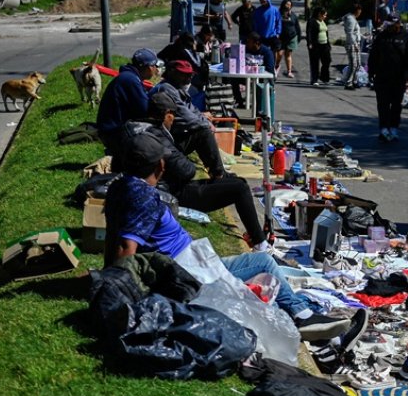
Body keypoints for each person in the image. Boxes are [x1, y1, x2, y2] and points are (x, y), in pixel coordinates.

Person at [104, 131, 357, 341]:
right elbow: (126, 248)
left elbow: (117, 239)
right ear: (160, 165)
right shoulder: (141, 197)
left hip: (189, 263)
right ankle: (304, 318)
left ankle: (311, 320)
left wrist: (108, 276)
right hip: (188, 271)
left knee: (265, 282)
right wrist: (117, 296)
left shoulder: (121, 186)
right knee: (264, 263)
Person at [116, 93, 268, 250]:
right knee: (240, 188)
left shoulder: (132, 126)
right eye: (173, 115)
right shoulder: (157, 138)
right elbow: (187, 171)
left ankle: (219, 175)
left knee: (234, 177)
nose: (174, 120)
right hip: (170, 192)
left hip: (158, 183)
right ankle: (260, 243)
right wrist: (177, 156)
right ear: (167, 115)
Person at [149, 60, 228, 179]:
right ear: (172, 72)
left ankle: (218, 172)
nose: (188, 78)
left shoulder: (178, 88)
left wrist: (205, 121)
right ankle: (218, 174)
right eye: (184, 74)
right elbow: (186, 117)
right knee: (203, 133)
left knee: (203, 130)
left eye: (190, 75)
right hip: (164, 139)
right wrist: (205, 124)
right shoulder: (166, 89)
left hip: (173, 135)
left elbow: (193, 110)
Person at [97, 47, 157, 157]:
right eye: (154, 66)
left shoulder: (130, 77)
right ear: (148, 67)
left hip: (112, 129)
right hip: (113, 132)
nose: (156, 70)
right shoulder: (130, 80)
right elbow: (144, 110)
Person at [368, 14, 408, 142]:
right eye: (388, 25)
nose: (391, 27)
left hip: (399, 77)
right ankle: (383, 128)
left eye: (393, 25)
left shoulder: (407, 38)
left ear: (398, 24)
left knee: (396, 105)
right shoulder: (382, 37)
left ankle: (394, 128)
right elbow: (373, 55)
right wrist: (371, 72)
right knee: (383, 104)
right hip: (382, 77)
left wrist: (407, 75)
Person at [252, 0, 286, 75]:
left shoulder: (274, 10)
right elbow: (255, 23)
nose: (263, 2)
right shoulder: (257, 11)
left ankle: (273, 67)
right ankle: (262, 68)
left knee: (274, 52)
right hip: (261, 35)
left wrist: (278, 32)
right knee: (261, 52)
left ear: (268, 0)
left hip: (272, 35)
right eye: (261, 1)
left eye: (264, 1)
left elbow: (279, 22)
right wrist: (256, 34)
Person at [340, 3, 364, 88]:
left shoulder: (353, 19)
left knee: (358, 64)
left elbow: (355, 32)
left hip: (355, 42)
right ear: (357, 11)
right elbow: (350, 33)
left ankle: (354, 80)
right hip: (352, 43)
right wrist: (355, 44)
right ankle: (348, 82)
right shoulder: (350, 19)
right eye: (359, 11)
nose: (360, 13)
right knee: (353, 64)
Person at [307, 6, 332, 86]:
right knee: (315, 62)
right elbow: (309, 33)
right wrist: (310, 43)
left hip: (325, 45)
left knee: (327, 61)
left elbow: (326, 33)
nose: (325, 16)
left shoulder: (323, 22)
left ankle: (324, 77)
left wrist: (328, 44)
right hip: (315, 45)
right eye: (324, 15)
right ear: (319, 14)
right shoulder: (312, 21)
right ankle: (314, 79)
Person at [279, 0, 301, 78]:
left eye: (289, 5)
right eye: (286, 4)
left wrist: (299, 36)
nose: (288, 6)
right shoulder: (279, 14)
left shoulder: (293, 15)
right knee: (279, 54)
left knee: (288, 55)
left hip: (291, 37)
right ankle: (276, 68)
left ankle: (289, 71)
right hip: (280, 38)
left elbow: (297, 26)